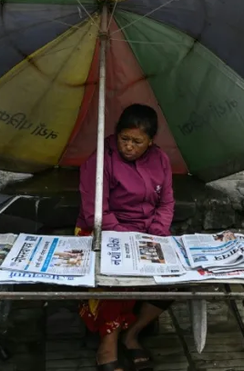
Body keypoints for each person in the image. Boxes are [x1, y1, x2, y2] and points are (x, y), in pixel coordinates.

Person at [75, 103, 175, 371]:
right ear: (116, 134)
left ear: (151, 142)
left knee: (175, 279)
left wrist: (155, 234)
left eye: (137, 142)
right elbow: (96, 211)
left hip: (148, 232)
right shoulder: (99, 161)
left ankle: (133, 333)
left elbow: (166, 204)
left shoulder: (161, 160)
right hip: (105, 228)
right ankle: (108, 343)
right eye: (124, 139)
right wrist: (126, 238)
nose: (129, 147)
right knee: (116, 278)